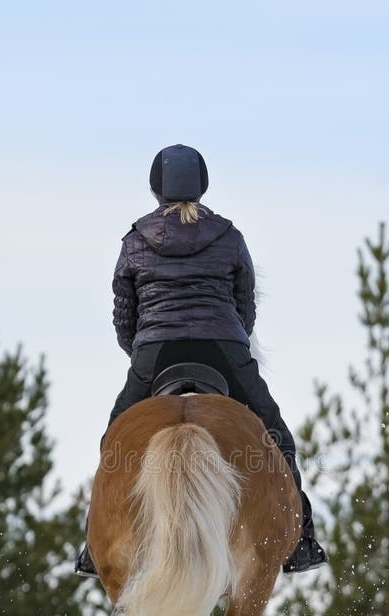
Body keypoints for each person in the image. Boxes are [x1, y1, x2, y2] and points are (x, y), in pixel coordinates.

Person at [76, 144, 326, 576]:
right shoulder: (229, 236)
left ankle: (95, 546)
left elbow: (124, 314)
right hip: (223, 347)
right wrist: (233, 340)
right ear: (203, 185)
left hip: (155, 351)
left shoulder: (135, 240)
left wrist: (140, 351)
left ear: (156, 188)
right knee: (277, 435)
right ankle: (301, 538)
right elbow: (245, 305)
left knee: (113, 444)